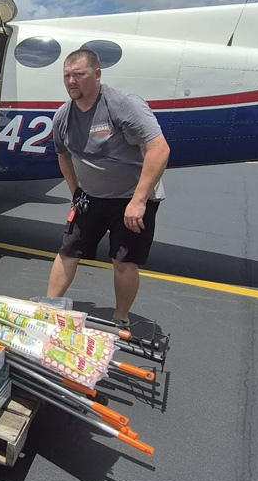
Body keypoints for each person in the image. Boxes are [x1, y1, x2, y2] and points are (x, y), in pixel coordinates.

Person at [45, 49, 170, 323]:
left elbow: (159, 149)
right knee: (68, 251)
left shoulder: (122, 104)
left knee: (123, 261)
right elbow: (63, 155)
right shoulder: (63, 116)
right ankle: (49, 308)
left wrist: (139, 201)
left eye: (79, 74)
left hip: (131, 197)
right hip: (91, 197)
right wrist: (76, 192)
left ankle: (120, 318)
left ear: (97, 75)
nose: (71, 81)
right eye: (67, 76)